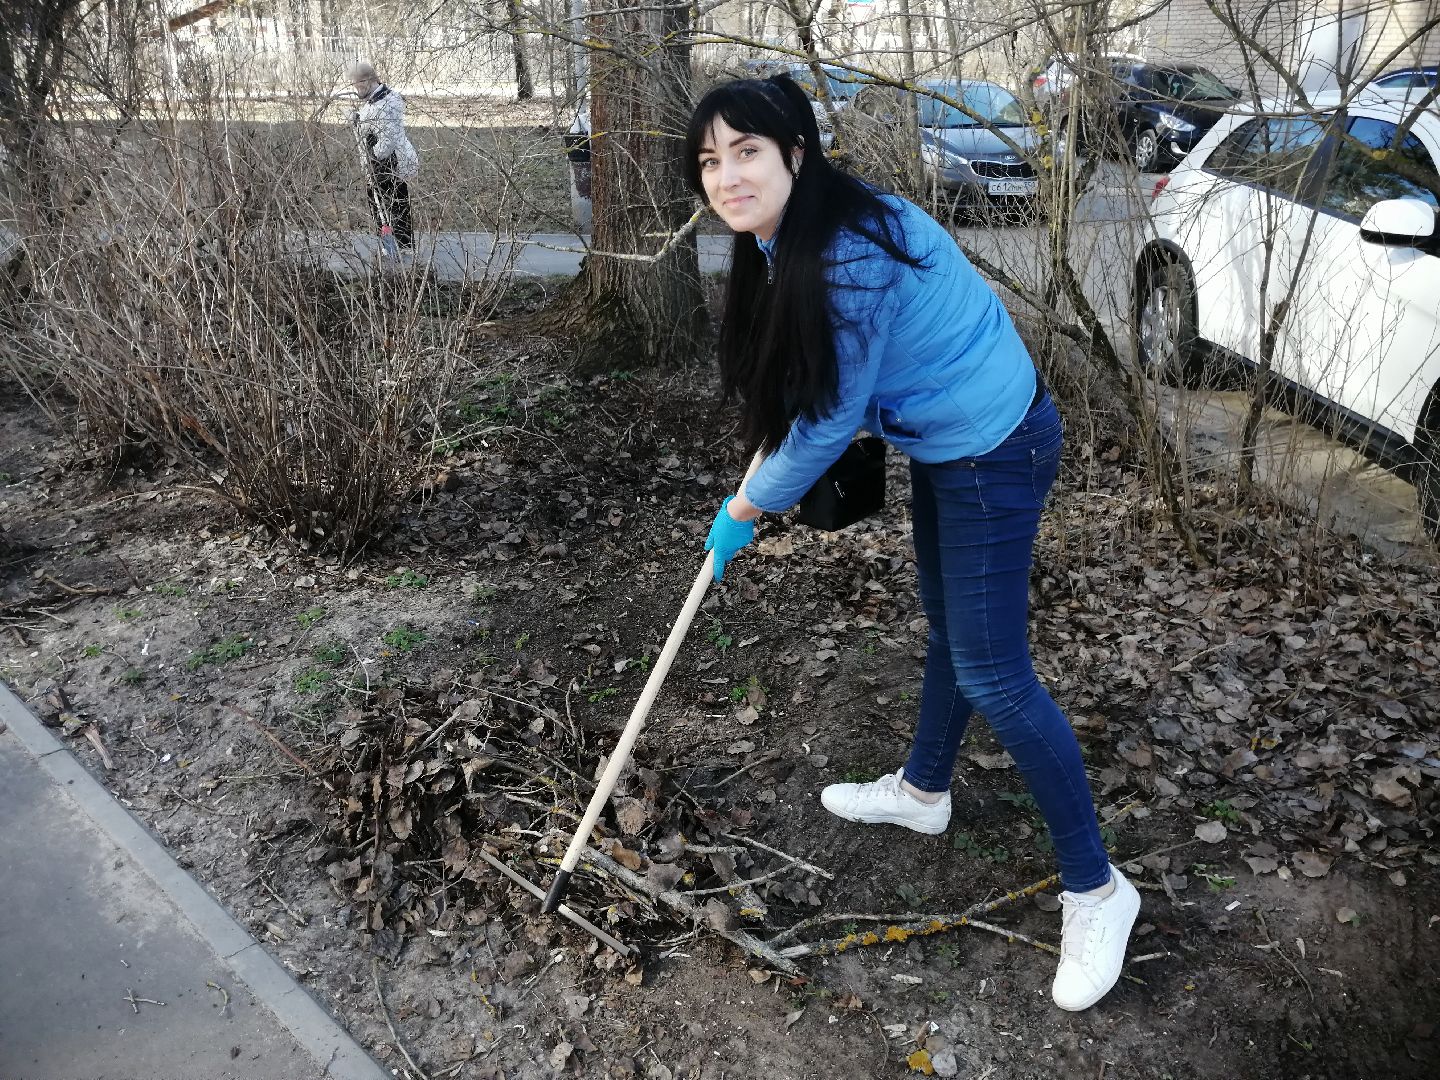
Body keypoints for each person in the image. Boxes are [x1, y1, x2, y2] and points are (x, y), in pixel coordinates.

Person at [686, 76, 1140, 1012]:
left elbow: (827, 422)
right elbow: (809, 398)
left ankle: (1099, 889)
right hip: (949, 440)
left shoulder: (848, 252)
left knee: (995, 672)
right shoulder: (788, 236)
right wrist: (754, 484)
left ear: (795, 155)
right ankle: (926, 791)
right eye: (709, 161)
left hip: (994, 447)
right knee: (953, 632)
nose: (726, 177)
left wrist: (745, 508)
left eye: (746, 153)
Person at [347, 60, 419, 251]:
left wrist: (374, 158)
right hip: (379, 166)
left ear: (366, 81)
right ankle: (393, 248)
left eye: (356, 85)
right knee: (384, 208)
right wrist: (357, 119)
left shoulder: (386, 102)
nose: (355, 90)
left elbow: (387, 141)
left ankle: (402, 250)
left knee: (394, 207)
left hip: (388, 165)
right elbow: (369, 125)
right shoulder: (376, 99)